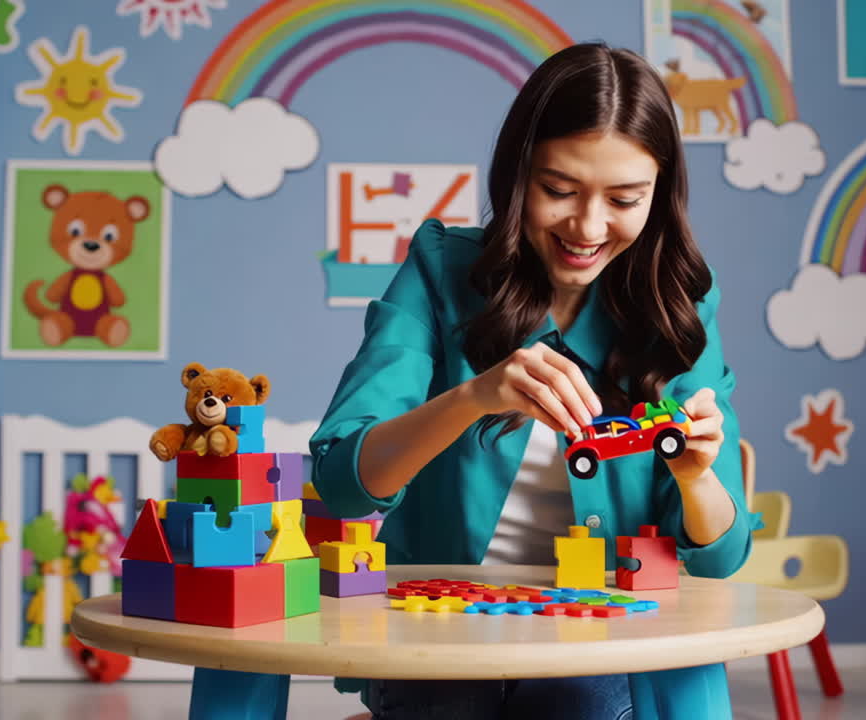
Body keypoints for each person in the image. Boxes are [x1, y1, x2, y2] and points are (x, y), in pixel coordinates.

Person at [309, 41, 753, 720]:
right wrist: (474, 396)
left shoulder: (679, 305)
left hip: (601, 642)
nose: (588, 226)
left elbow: (721, 561)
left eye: (625, 199)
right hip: (441, 630)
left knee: (576, 703)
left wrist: (696, 477)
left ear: (658, 197)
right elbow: (343, 482)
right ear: (519, 177)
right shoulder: (439, 270)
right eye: (559, 190)